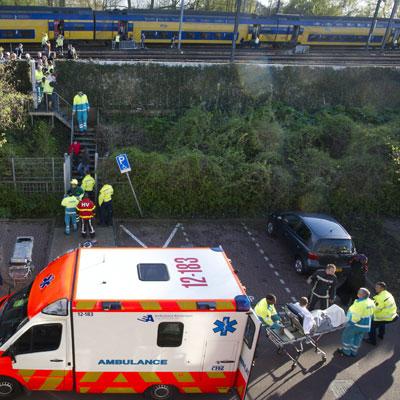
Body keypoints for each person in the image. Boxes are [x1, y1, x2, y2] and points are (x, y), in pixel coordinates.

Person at [337, 288, 375, 357]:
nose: (357, 293)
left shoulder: (359, 304)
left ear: (360, 295)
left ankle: (346, 351)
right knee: (358, 338)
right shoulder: (371, 302)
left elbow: (356, 316)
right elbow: (372, 313)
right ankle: (354, 351)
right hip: (365, 326)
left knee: (347, 336)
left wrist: (349, 323)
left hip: (356, 324)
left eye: (359, 292)